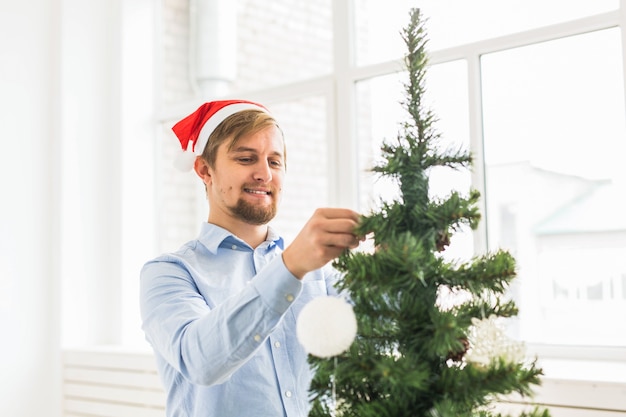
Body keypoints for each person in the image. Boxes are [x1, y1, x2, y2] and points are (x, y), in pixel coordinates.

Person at [140, 100, 362, 417]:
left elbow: (376, 346)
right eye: (246, 159)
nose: (264, 174)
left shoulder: (319, 273)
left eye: (275, 161)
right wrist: (290, 267)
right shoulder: (169, 273)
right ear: (204, 169)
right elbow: (199, 360)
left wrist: (395, 266)